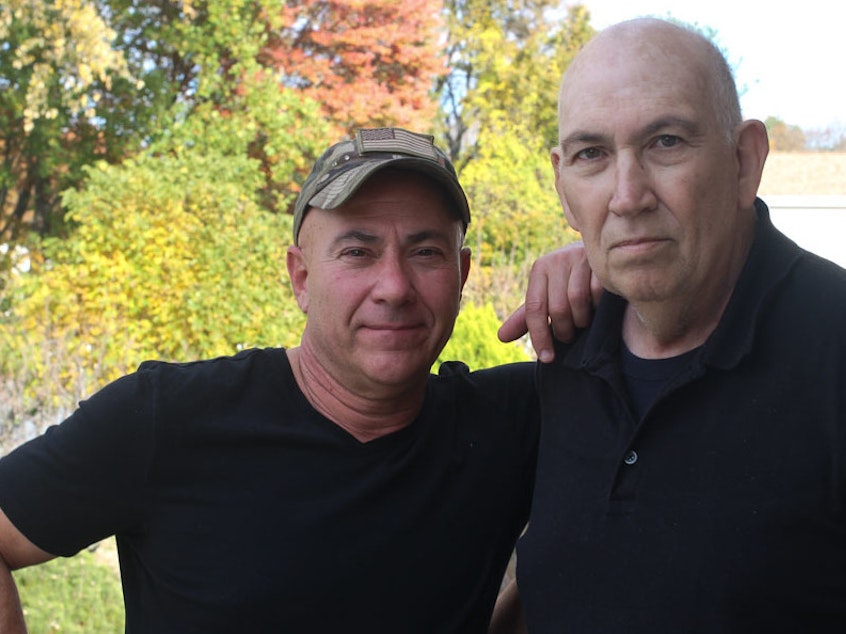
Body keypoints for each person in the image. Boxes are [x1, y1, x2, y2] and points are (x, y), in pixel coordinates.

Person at [0, 127, 592, 633]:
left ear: (461, 275)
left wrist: (601, 266)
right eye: (358, 252)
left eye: (426, 252)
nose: (393, 286)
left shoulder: (516, 422)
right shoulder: (164, 420)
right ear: (301, 277)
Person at [494, 17, 846, 633]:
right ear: (561, 183)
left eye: (665, 142)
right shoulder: (563, 355)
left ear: (745, 160)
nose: (627, 196)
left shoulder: (832, 349)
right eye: (591, 155)